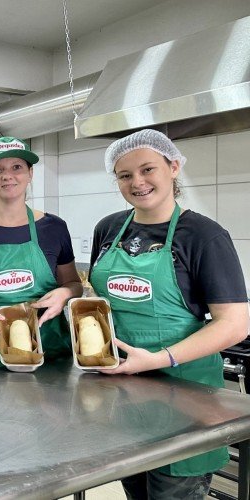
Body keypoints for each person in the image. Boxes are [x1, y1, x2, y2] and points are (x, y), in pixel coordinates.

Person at [89, 129, 249, 499]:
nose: (137, 182)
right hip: (125, 391)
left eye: (148, 170)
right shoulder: (109, 228)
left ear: (173, 167)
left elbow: (235, 324)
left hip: (185, 395)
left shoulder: (204, 236)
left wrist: (158, 358)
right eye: (125, 175)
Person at [0, 137, 82, 371]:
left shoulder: (54, 228)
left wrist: (64, 293)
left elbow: (73, 283)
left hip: (49, 350)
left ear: (30, 173)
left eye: (17, 167)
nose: (7, 175)